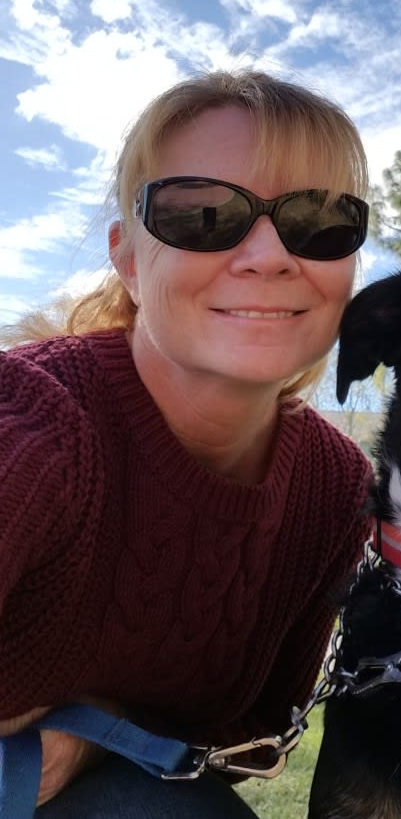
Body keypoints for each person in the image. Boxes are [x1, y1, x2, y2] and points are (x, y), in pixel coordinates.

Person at [0, 70, 375, 817]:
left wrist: (94, 734)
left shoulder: (335, 490)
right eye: (203, 213)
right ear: (130, 259)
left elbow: (255, 733)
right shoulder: (32, 421)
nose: (268, 255)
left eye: (319, 220)